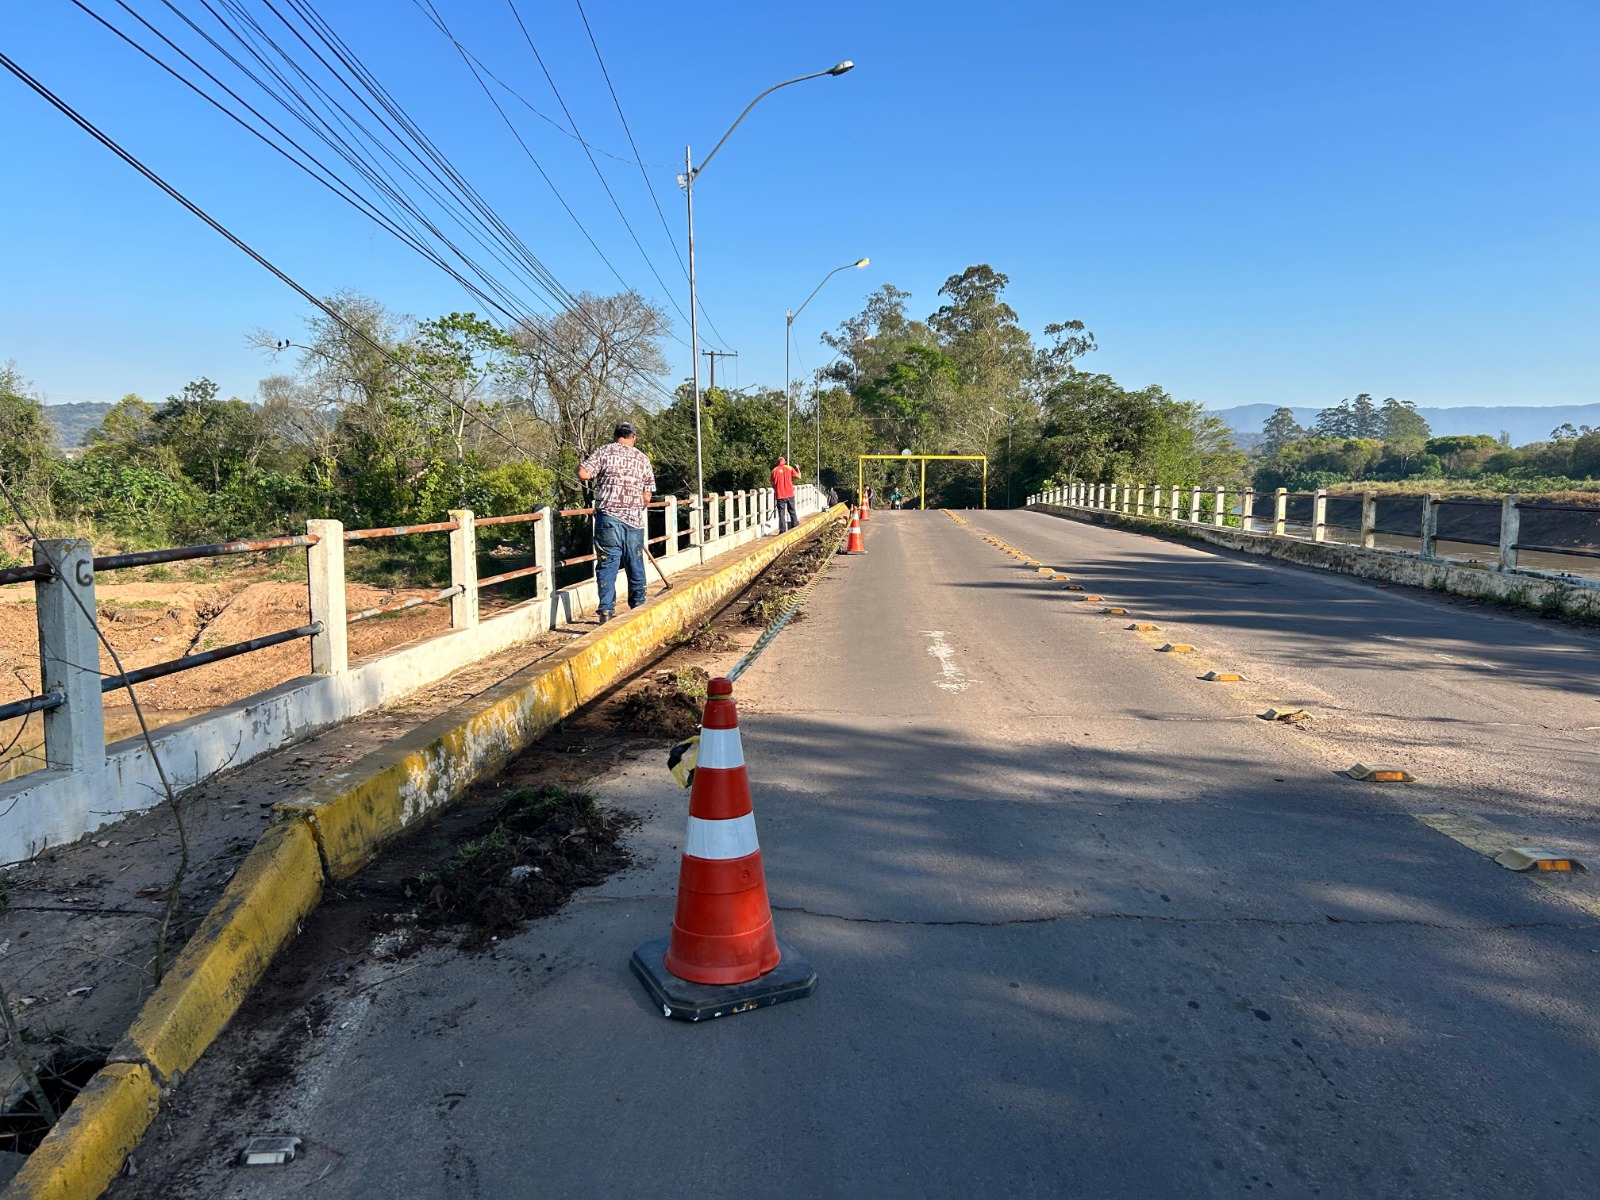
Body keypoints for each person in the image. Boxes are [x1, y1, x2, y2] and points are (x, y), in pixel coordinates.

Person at [578, 421, 655, 623]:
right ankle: (638, 608)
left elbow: (583, 473)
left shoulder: (604, 451)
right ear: (633, 437)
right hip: (634, 522)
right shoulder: (642, 458)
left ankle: (606, 611)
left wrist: (582, 466)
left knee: (607, 563)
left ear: (615, 436)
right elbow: (647, 496)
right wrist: (637, 507)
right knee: (635, 563)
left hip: (608, 519)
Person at [771, 456, 802, 534]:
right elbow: (799, 476)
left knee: (781, 513)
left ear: (777, 462)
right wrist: (797, 468)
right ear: (784, 461)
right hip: (790, 493)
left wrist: (776, 490)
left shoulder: (774, 470)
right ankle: (795, 525)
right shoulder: (789, 468)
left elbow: (772, 483)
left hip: (780, 495)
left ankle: (782, 530)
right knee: (792, 510)